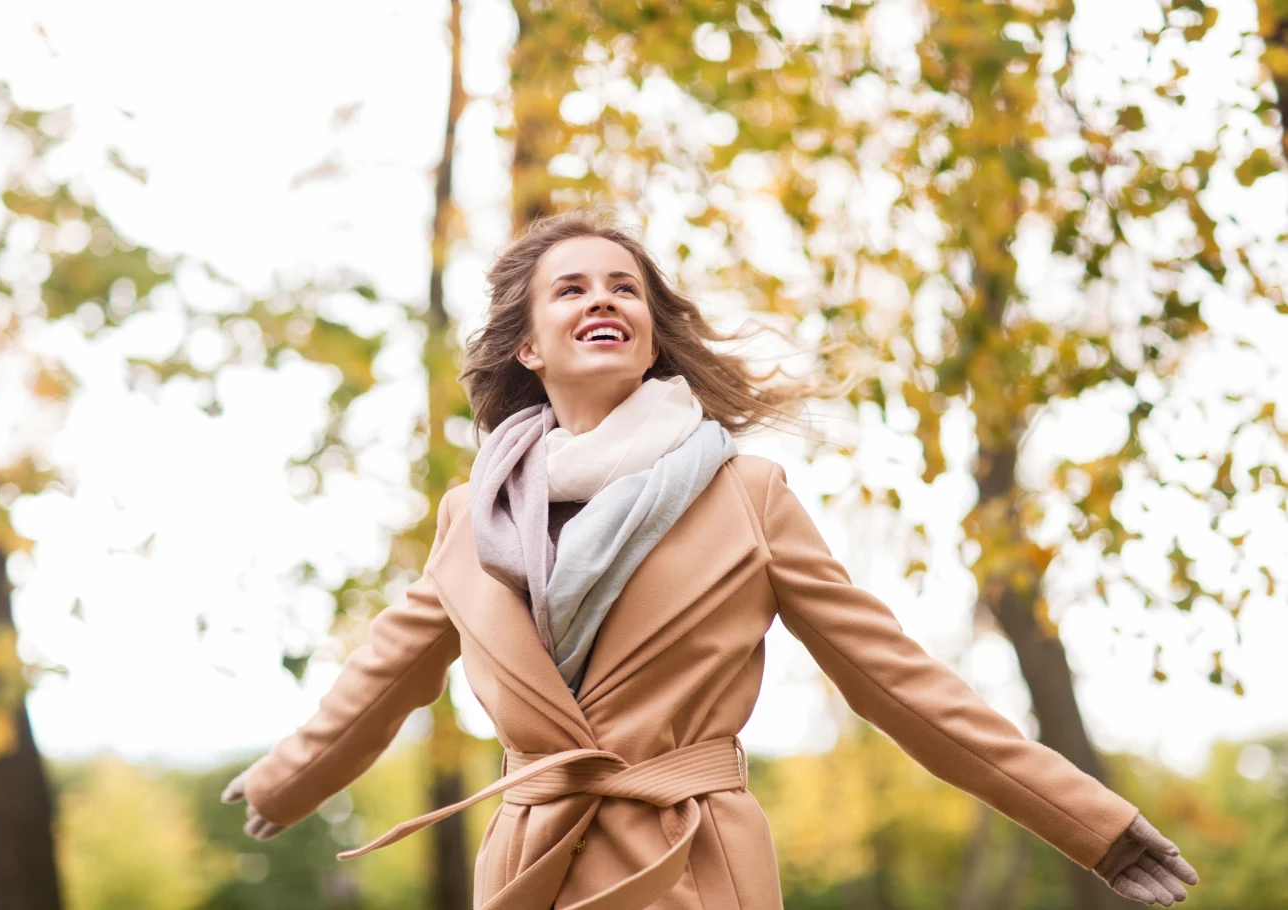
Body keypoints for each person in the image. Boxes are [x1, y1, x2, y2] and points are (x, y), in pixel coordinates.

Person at [222, 207, 1199, 908]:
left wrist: (1094, 827)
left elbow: (897, 682)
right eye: (572, 289)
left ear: (649, 336)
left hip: (692, 867)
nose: (604, 300)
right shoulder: (469, 516)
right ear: (528, 346)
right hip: (531, 866)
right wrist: (285, 781)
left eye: (624, 290)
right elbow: (383, 674)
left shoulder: (747, 493)